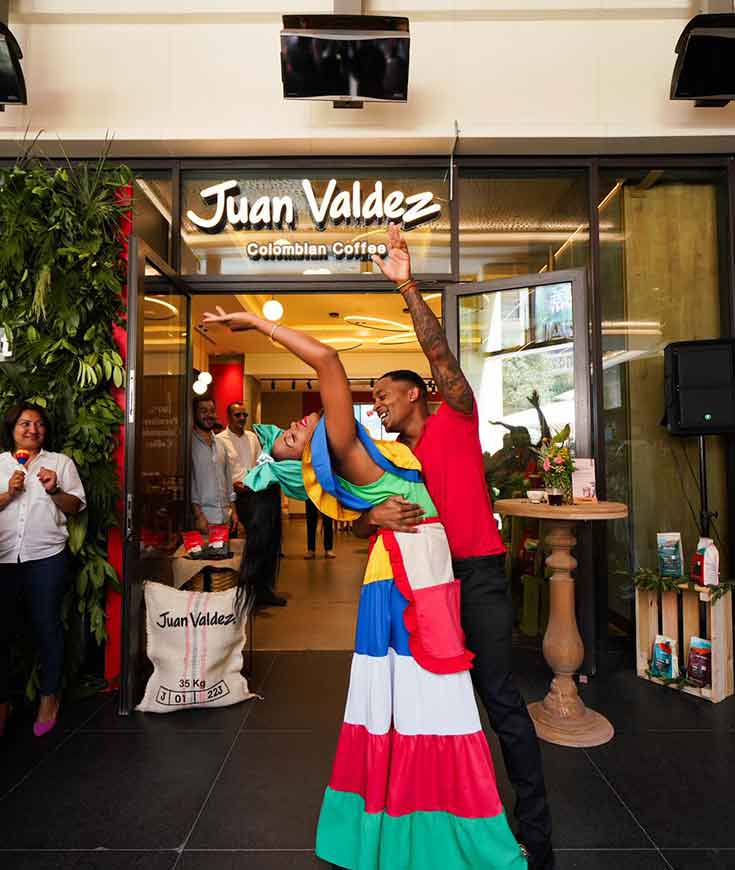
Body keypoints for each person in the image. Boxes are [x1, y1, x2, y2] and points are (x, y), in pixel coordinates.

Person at [203, 305, 527, 870]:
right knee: (437, 708)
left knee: (405, 708)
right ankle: (445, 831)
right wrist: (257, 324)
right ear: (300, 461)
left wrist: (371, 517)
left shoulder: (366, 452)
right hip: (413, 581)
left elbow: (369, 510)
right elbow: (328, 359)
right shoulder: (340, 444)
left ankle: (397, 825)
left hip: (404, 577)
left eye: (292, 429)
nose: (296, 427)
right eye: (288, 440)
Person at [351, 223, 554, 870]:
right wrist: (370, 515)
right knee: (437, 711)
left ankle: (536, 836)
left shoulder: (455, 419)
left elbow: (440, 356)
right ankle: (453, 827)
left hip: (479, 576)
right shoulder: (392, 460)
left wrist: (407, 285)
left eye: (383, 394)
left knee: (499, 700)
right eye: (373, 399)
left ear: (415, 392)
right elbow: (356, 519)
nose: (377, 405)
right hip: (423, 588)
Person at [0, 401, 86, 738]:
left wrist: (55, 490)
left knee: (47, 626)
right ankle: (3, 702)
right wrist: (8, 494)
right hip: (4, 558)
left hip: (47, 556)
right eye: (25, 424)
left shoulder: (60, 463)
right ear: (12, 429)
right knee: (3, 631)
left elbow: (75, 507)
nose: (33, 430)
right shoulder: (0, 464)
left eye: (39, 424)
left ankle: (49, 696)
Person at [190, 395, 236, 536]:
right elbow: (191, 483)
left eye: (212, 411)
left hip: (225, 517)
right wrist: (198, 515)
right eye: (203, 411)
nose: (209, 415)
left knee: (225, 550)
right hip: (204, 519)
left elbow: (228, 480)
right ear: (194, 414)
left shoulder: (221, 444)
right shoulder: (189, 444)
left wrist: (234, 512)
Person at [216, 401, 261, 530]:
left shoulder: (252, 438)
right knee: (234, 535)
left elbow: (260, 464)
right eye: (237, 415)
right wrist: (232, 485)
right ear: (228, 417)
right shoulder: (219, 440)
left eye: (244, 415)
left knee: (255, 534)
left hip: (253, 496)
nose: (242, 418)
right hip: (231, 499)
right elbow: (218, 474)